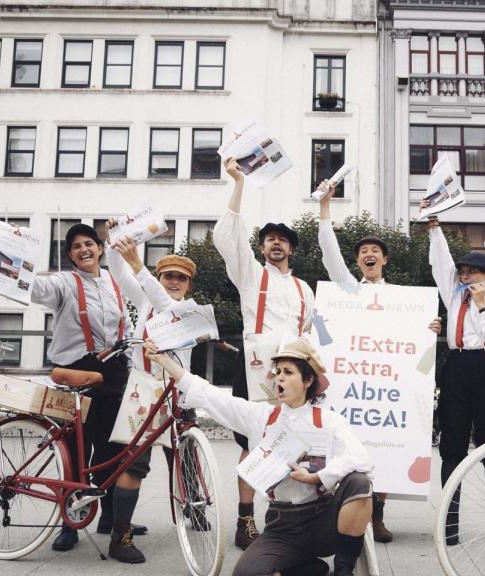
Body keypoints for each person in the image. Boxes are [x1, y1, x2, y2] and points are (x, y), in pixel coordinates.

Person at [146, 337, 373, 576]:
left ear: (308, 380)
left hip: (323, 521)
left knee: (358, 482)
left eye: (288, 372)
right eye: (277, 372)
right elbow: (208, 395)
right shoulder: (260, 417)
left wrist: (319, 477)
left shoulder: (329, 421)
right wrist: (163, 361)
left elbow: (361, 457)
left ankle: (343, 570)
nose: (280, 378)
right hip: (283, 526)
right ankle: (309, 569)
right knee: (246, 573)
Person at [314, 180, 441, 542]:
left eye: (375, 250)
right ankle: (343, 512)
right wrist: (325, 209)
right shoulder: (347, 291)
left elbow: (419, 342)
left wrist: (430, 326)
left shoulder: (402, 300)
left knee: (385, 445)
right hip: (353, 387)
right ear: (357, 261)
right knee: (347, 448)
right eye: (363, 251)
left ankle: (377, 516)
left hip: (386, 390)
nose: (368, 254)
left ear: (384, 259)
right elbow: (329, 254)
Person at [30, 223, 150, 563]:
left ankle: (110, 518)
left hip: (114, 372)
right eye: (76, 246)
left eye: (89, 244)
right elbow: (36, 287)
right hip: (76, 373)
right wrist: (13, 262)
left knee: (113, 447)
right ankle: (69, 523)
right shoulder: (64, 283)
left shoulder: (115, 283)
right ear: (69, 255)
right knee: (75, 449)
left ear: (99, 248)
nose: (84, 250)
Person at [215, 157, 316, 549]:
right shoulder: (251, 275)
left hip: (294, 371)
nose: (276, 242)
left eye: (283, 238)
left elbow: (316, 333)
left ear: (291, 247)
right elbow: (229, 239)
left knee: (293, 441)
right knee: (250, 443)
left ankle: (286, 517)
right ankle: (245, 519)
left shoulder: (305, 289)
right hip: (255, 368)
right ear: (261, 246)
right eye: (270, 237)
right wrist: (238, 183)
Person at [421, 203, 485, 547]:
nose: (464, 276)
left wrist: (481, 305)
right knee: (453, 448)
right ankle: (450, 523)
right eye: (462, 272)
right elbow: (440, 262)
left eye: (471, 272)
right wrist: (434, 227)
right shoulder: (453, 296)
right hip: (457, 368)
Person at [104, 225, 204, 533]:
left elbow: (167, 307)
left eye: (181, 278)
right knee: (134, 461)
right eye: (168, 276)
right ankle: (121, 533)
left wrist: (140, 266)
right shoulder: (145, 300)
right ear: (160, 279)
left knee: (186, 456)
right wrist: (115, 238)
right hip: (143, 391)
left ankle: (196, 508)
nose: (174, 282)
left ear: (188, 284)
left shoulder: (189, 310)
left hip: (177, 393)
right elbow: (119, 273)